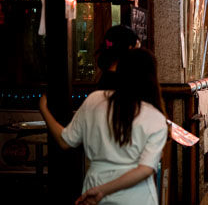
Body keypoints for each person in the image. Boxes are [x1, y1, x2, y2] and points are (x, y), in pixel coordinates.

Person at [39, 49, 167, 205]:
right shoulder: (156, 118)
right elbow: (145, 169)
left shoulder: (94, 100)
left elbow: (64, 140)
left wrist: (43, 109)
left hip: (94, 188)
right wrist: (103, 190)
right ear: (152, 78)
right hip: (137, 197)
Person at [96, 25, 140, 90]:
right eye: (137, 51)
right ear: (129, 49)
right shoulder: (126, 85)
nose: (140, 56)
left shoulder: (104, 79)